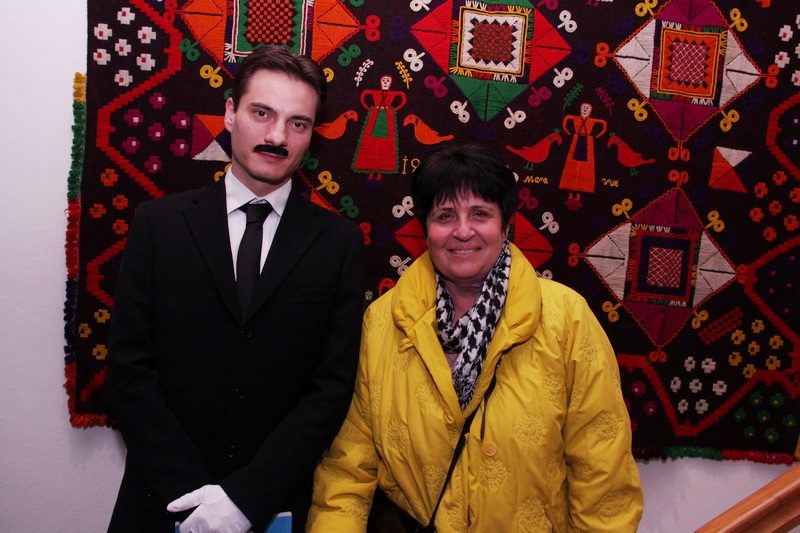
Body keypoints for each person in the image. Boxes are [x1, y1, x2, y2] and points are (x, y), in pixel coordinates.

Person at [308, 143, 643, 532]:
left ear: (506, 224)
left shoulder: (566, 320)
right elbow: (347, 472)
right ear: (425, 229)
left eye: (480, 214)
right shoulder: (383, 323)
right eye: (445, 216)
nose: (463, 231)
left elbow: (603, 475)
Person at [106, 44, 364, 533]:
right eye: (261, 113)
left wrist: (244, 500)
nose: (277, 136)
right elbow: (128, 369)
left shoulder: (339, 244)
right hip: (161, 500)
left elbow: (331, 388)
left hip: (272, 507)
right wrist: (192, 496)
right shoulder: (159, 225)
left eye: (298, 123)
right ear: (229, 113)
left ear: (312, 134)